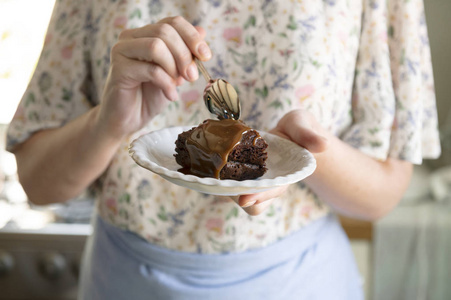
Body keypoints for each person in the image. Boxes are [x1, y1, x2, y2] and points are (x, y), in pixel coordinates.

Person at [6, 0, 441, 299]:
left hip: (299, 284)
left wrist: (303, 154)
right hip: (125, 282)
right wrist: (110, 123)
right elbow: (38, 185)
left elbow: (383, 192)